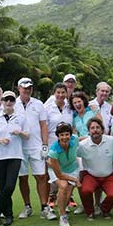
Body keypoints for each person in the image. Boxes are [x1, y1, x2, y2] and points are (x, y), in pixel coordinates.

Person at [15, 77, 55, 221]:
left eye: (29, 88)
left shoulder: (38, 104)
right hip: (18, 148)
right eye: (24, 87)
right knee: (23, 177)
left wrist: (45, 145)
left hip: (36, 146)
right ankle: (27, 206)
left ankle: (45, 207)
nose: (27, 90)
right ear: (19, 88)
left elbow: (43, 125)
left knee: (41, 176)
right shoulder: (12, 103)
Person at [0, 90, 29, 226]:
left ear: (14, 102)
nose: (8, 102)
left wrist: (20, 132)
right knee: (2, 186)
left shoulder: (21, 117)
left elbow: (27, 135)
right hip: (0, 156)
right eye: (6, 99)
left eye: (11, 100)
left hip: (15, 155)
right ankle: (8, 214)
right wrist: (0, 140)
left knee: (10, 185)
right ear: (2, 101)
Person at [76, 117, 113, 219]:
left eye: (97, 127)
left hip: (108, 175)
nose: (95, 130)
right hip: (91, 175)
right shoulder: (82, 145)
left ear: (102, 129)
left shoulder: (112, 141)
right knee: (85, 190)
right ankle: (90, 212)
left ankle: (104, 209)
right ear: (89, 131)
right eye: (92, 128)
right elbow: (72, 154)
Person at [45, 83, 74, 211]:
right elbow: (44, 127)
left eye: (63, 92)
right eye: (58, 92)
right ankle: (51, 200)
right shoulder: (47, 107)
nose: (61, 95)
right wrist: (44, 145)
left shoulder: (70, 106)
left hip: (67, 144)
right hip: (52, 144)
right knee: (53, 173)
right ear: (54, 93)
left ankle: (65, 200)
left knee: (66, 171)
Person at [47, 122, 82, 226]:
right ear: (58, 136)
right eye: (61, 135)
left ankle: (60, 208)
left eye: (67, 134)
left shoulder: (74, 139)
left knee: (67, 194)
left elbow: (82, 139)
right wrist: (75, 180)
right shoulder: (53, 151)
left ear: (70, 135)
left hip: (72, 168)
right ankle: (63, 216)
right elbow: (60, 175)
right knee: (63, 186)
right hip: (57, 170)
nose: (65, 137)